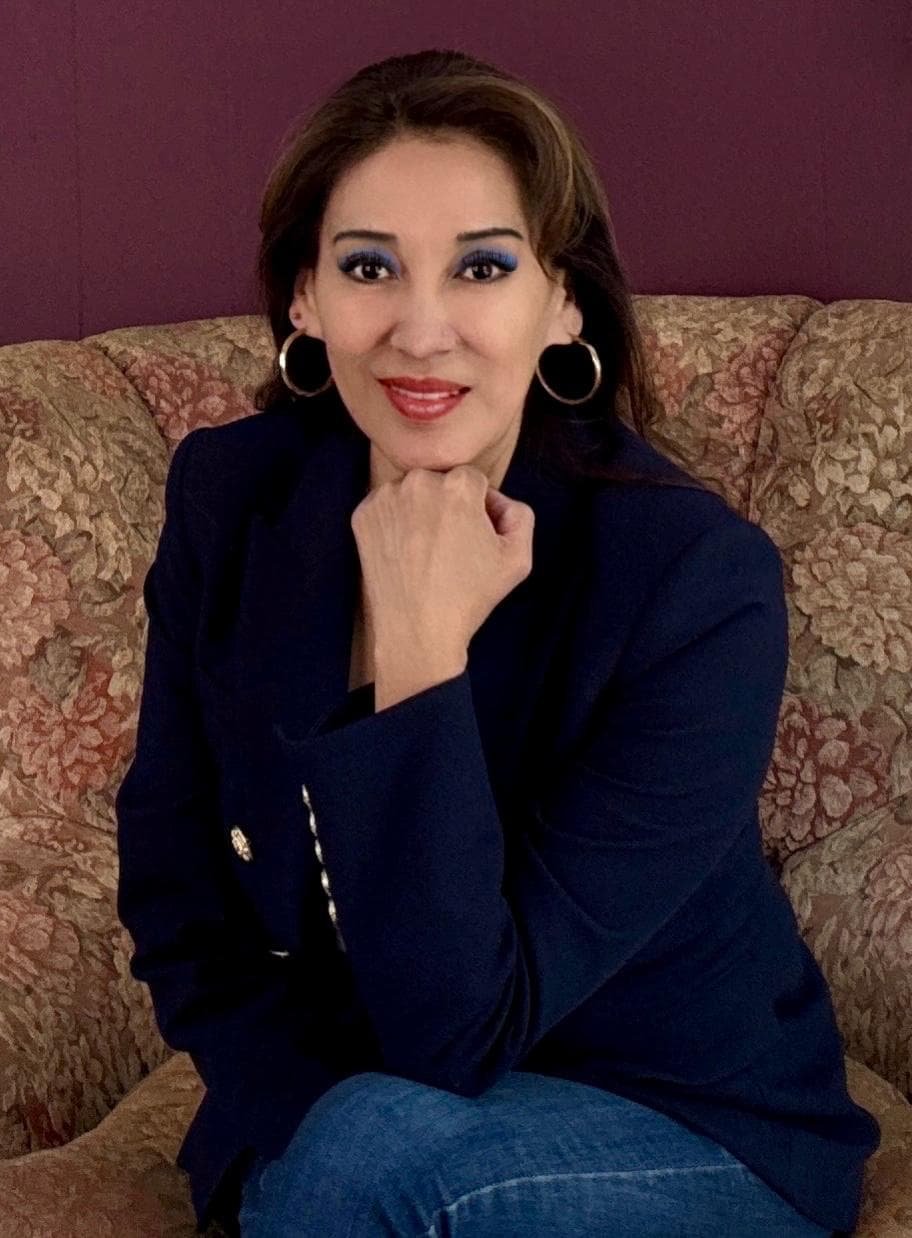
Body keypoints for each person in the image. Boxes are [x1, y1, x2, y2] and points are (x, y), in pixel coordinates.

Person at [114, 48, 880, 1237]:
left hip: (675, 1114)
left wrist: (421, 653)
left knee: (381, 1158)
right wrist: (297, 1115)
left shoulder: (693, 583)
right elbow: (176, 895)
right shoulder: (235, 502)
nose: (423, 331)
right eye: (368, 265)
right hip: (353, 1107)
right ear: (304, 297)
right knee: (359, 1151)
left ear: (561, 299)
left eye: (482, 266)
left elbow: (460, 1031)